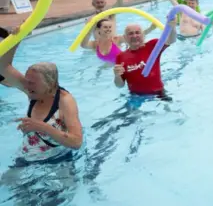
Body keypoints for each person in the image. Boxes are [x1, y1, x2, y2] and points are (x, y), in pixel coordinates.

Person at [0, 29, 83, 164]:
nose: (26, 86)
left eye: (32, 83)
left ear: (50, 84)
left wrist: (41, 126)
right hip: (27, 156)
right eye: (26, 81)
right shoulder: (31, 90)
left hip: (58, 159)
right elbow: (2, 66)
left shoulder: (65, 101)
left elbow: (76, 142)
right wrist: (16, 39)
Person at [113, 21, 177, 96]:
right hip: (135, 96)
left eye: (137, 32)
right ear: (125, 37)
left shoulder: (152, 46)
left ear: (143, 35)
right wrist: (117, 75)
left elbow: (171, 40)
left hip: (158, 93)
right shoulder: (121, 57)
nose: (134, 36)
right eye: (130, 33)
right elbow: (120, 85)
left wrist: (172, 26)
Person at [80, 19, 155, 63]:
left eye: (110, 27)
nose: (108, 29)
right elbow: (83, 45)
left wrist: (151, 28)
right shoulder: (95, 44)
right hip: (105, 69)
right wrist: (89, 29)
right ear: (99, 29)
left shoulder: (116, 39)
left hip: (121, 67)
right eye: (105, 27)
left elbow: (136, 37)